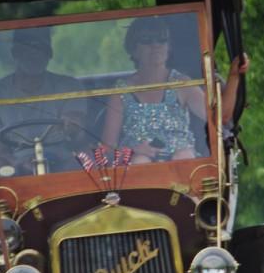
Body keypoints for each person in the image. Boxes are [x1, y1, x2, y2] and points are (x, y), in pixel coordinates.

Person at [101, 16, 249, 164]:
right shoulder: (120, 91)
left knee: (183, 157)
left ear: (169, 47)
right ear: (133, 49)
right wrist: (133, 150)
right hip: (137, 166)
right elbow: (107, 148)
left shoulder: (181, 83)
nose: (156, 45)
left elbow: (220, 118)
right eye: (147, 40)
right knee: (140, 161)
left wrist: (234, 75)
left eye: (162, 39)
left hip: (183, 164)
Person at [0, 27, 88, 175]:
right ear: (15, 53)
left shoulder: (69, 86)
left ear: (49, 54)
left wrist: (74, 127)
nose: (34, 55)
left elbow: (79, 138)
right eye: (27, 49)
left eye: (40, 49)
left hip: (62, 160)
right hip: (15, 162)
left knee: (85, 165)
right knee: (0, 171)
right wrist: (18, 164)